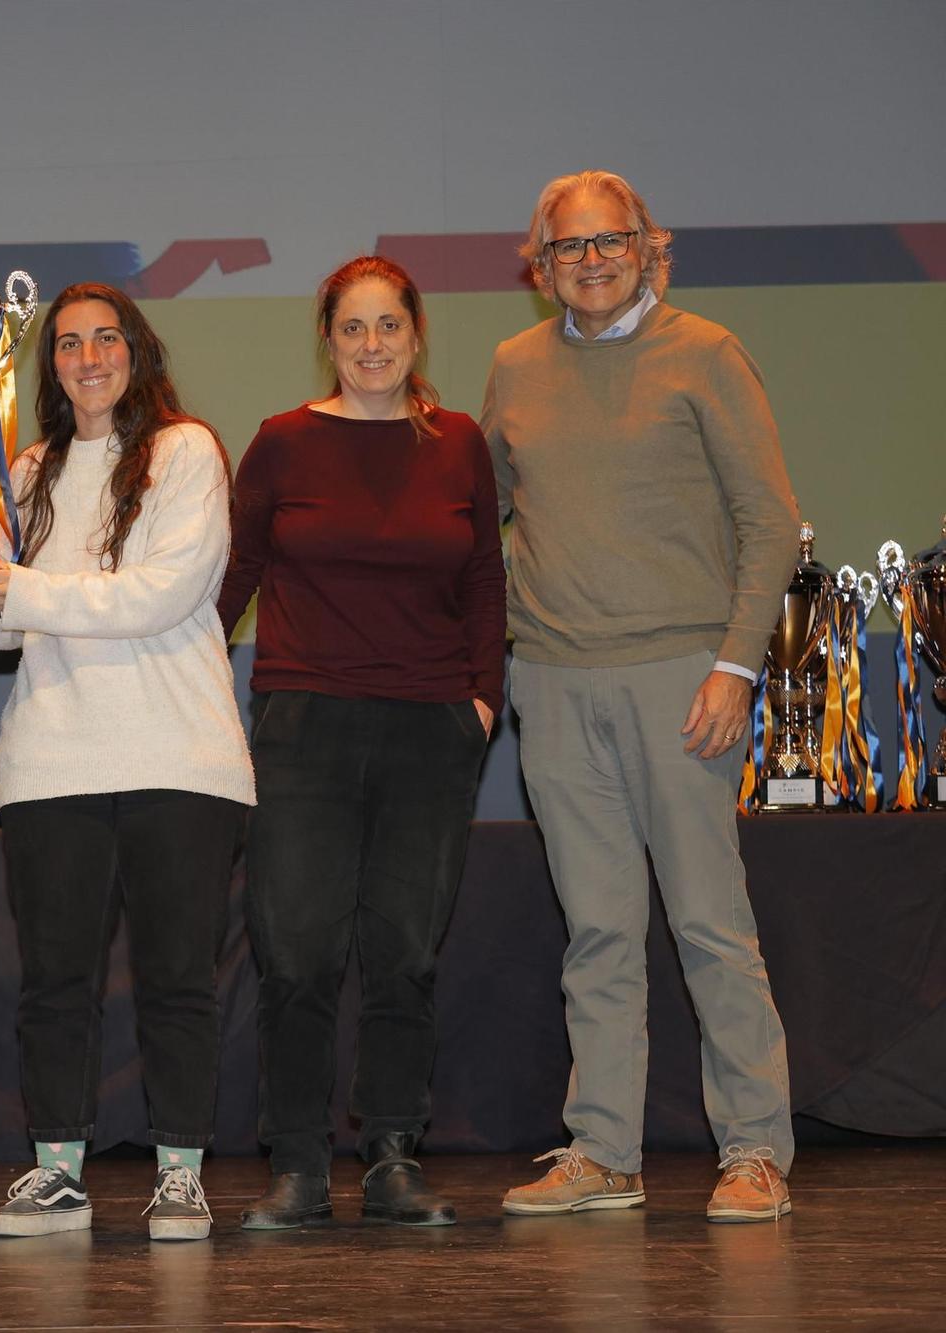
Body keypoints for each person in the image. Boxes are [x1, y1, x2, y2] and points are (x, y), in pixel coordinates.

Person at [483, 170, 799, 1222]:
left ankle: (754, 1149)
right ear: (539, 266)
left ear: (648, 248)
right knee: (598, 933)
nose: (590, 261)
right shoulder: (512, 366)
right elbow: (479, 516)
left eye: (608, 241)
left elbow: (767, 521)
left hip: (683, 680)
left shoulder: (706, 354)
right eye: (567, 248)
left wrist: (734, 666)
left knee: (711, 925)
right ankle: (601, 1150)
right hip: (554, 680)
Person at [0, 282, 254, 1242]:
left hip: (179, 755)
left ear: (138, 350)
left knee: (177, 977)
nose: (88, 357)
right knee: (55, 982)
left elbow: (157, 596)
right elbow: (4, 638)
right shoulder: (30, 467)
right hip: (51, 762)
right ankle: (56, 1173)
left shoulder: (186, 451)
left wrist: (23, 587)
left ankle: (179, 1173)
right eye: (69, 344)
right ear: (49, 365)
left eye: (106, 339)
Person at [217, 256, 503, 1230]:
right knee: (292, 955)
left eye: (388, 326)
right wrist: (179, 688)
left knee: (403, 956)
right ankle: (296, 1165)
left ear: (414, 335)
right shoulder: (282, 444)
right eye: (352, 328)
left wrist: (480, 704)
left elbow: (484, 585)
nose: (371, 344)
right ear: (327, 339)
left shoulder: (458, 444)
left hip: (431, 728)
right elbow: (234, 575)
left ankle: (390, 1154)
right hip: (302, 725)